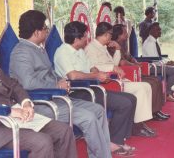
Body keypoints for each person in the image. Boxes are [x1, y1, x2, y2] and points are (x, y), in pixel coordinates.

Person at [9, 10, 115, 158]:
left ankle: (102, 154)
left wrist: (61, 80)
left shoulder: (38, 49)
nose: (47, 31)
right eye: (45, 28)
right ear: (36, 32)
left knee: (98, 110)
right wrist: (56, 85)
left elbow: (49, 73)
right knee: (88, 117)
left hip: (55, 98)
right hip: (40, 103)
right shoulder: (21, 52)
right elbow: (28, 82)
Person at [0, 19, 77, 158]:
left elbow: (12, 84)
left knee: (64, 131)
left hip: (11, 118)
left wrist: (25, 102)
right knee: (42, 142)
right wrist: (10, 111)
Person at [54, 21, 137, 154]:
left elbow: (92, 67)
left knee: (131, 98)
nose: (87, 38)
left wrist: (96, 73)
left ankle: (118, 139)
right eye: (85, 36)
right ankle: (114, 142)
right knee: (124, 103)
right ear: (77, 39)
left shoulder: (80, 51)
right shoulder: (62, 52)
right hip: (77, 91)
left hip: (91, 87)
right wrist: (95, 75)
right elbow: (73, 75)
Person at [85, 22, 156, 137]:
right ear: (106, 34)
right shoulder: (91, 48)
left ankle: (139, 123)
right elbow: (93, 68)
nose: (111, 37)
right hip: (106, 83)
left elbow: (114, 64)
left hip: (114, 79)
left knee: (146, 86)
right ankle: (137, 126)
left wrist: (117, 50)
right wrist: (112, 67)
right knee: (141, 88)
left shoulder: (102, 47)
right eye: (110, 34)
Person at [109, 24, 170, 121]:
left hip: (134, 70)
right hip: (127, 73)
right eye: (125, 32)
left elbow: (129, 57)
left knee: (155, 80)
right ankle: (152, 112)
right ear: (119, 35)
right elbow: (121, 62)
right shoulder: (112, 47)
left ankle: (156, 110)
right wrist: (134, 66)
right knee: (152, 83)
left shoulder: (123, 45)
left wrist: (136, 62)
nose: (127, 34)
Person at [142, 22, 174, 102]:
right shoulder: (149, 43)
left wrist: (168, 61)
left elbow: (158, 57)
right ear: (151, 31)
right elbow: (154, 60)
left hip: (156, 64)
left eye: (160, 29)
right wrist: (167, 63)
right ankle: (166, 94)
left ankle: (169, 92)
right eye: (157, 30)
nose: (160, 31)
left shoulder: (154, 41)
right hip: (152, 67)